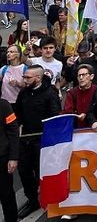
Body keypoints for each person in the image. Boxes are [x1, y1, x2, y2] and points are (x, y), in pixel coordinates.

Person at [13, 65, 61, 218]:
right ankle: (32, 200)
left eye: (28, 77)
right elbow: (18, 113)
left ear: (38, 78)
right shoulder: (23, 93)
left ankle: (49, 199)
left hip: (43, 141)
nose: (24, 80)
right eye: (24, 77)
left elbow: (55, 116)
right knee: (24, 171)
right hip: (25, 139)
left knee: (41, 172)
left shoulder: (50, 93)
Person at [0, 98, 18, 222]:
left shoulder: (3, 105)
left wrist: (13, 157)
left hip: (2, 157)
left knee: (6, 194)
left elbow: (13, 131)